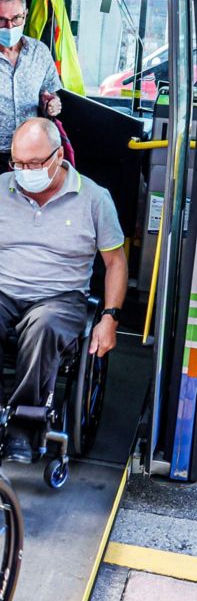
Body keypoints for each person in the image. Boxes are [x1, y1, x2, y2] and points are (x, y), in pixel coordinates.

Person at [0, 118, 128, 463]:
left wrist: (109, 319)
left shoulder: (94, 199)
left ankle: (23, 430)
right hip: (4, 290)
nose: (23, 172)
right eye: (18, 163)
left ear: (58, 156)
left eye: (33, 163)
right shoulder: (2, 188)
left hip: (60, 297)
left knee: (44, 328)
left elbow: (116, 263)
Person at [0, 0, 63, 173]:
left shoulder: (39, 52)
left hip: (31, 156)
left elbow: (50, 94)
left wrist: (51, 103)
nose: (9, 26)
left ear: (25, 14)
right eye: (1, 20)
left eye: (16, 18)